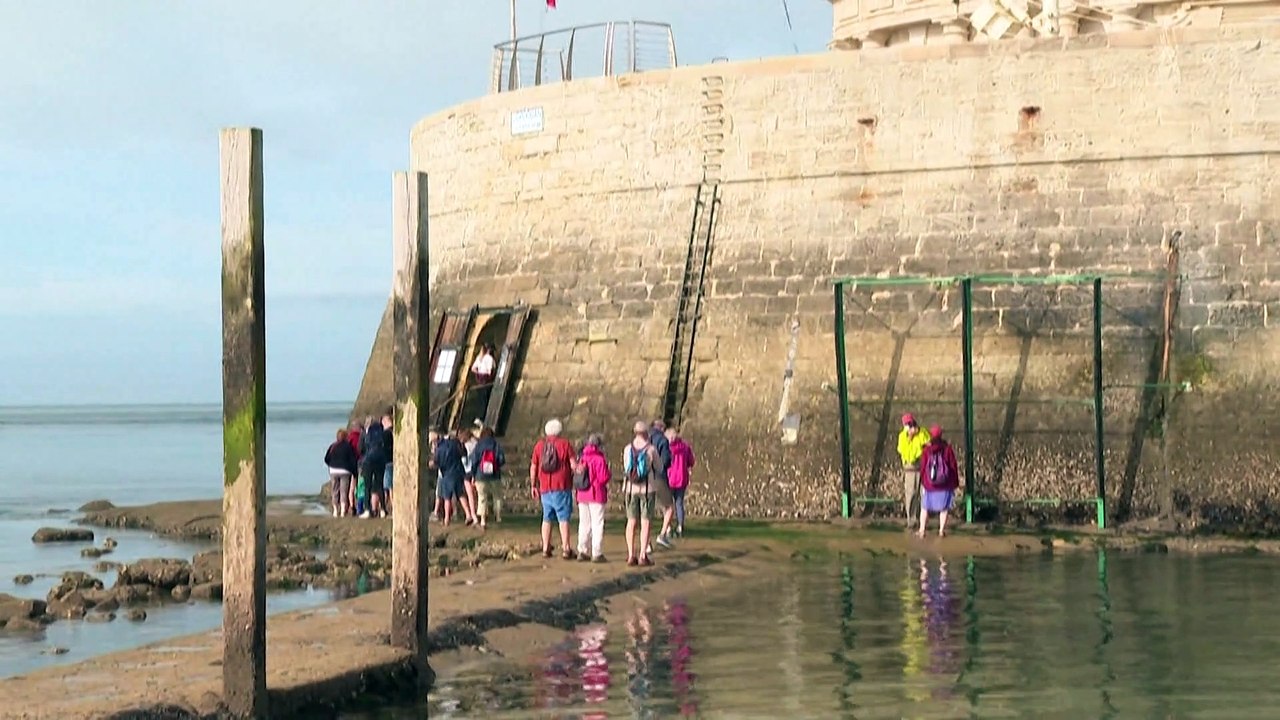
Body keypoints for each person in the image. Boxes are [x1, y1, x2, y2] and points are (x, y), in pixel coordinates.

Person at [530, 418, 576, 559]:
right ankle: (566, 548)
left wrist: (533, 485)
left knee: (546, 518)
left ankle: (545, 548)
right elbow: (573, 464)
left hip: (544, 487)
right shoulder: (565, 444)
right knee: (563, 517)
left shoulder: (539, 446)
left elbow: (533, 467)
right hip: (561, 485)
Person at [622, 421, 660, 566]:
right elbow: (659, 466)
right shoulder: (651, 449)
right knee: (646, 522)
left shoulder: (627, 449)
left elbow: (626, 468)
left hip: (630, 489)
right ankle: (643, 555)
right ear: (646, 433)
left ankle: (631, 555)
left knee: (631, 521)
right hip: (647, 489)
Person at [918, 425, 960, 538]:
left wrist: (923, 482)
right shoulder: (947, 449)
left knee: (925, 507)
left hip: (929, 485)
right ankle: (941, 531)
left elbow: (923, 467)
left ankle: (922, 530)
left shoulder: (926, 450)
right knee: (944, 508)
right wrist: (955, 483)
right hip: (945, 485)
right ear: (941, 435)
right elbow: (953, 466)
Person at [574, 433, 611, 563]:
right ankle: (597, 552)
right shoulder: (599, 459)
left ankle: (582, 550)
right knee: (597, 523)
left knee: (584, 523)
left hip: (582, 493)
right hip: (596, 494)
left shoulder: (581, 457)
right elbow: (603, 478)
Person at [468, 426, 506, 528]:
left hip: (480, 476)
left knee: (482, 497)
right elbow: (502, 460)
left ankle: (483, 520)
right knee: (497, 496)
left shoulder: (479, 446)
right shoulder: (496, 445)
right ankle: (498, 517)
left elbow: (474, 461)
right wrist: (496, 466)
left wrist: (473, 475)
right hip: (495, 475)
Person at [897, 414, 930, 529]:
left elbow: (929, 446)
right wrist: (910, 438)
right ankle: (911, 520)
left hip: (923, 468)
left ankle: (923, 520)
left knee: (924, 494)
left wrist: (922, 444)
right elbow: (904, 451)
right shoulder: (902, 436)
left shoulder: (922, 433)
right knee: (911, 494)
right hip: (910, 469)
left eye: (911, 424)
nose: (909, 427)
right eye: (907, 425)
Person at [648, 420, 676, 549]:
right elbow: (666, 461)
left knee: (646, 512)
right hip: (658, 477)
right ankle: (662, 535)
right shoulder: (663, 440)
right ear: (660, 428)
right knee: (670, 507)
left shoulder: (644, 439)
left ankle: (647, 544)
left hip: (644, 479)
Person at [665, 427, 695, 537]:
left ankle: (667, 527)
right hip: (682, 478)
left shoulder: (667, 448)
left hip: (669, 478)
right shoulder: (685, 447)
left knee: (667, 504)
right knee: (679, 503)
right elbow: (691, 462)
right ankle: (680, 526)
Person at [433, 429, 467, 526]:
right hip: (458, 472)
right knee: (460, 494)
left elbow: (437, 462)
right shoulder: (456, 445)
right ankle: (469, 515)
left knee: (447, 497)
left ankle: (447, 518)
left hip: (447, 474)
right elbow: (464, 454)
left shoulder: (440, 449)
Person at [324, 429, 358, 518]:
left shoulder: (333, 446)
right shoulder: (348, 447)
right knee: (344, 491)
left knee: (335, 490)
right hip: (345, 470)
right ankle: (343, 511)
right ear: (346, 436)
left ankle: (335, 510)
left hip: (333, 470)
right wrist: (354, 472)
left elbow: (326, 458)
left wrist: (331, 465)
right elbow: (352, 460)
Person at [359, 416, 388, 519]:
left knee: (368, 486)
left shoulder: (364, 434)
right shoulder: (382, 433)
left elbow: (360, 449)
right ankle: (383, 510)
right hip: (380, 461)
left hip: (368, 461)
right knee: (379, 485)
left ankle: (367, 510)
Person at [460, 427, 480, 526]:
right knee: (476, 495)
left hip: (468, 472)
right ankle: (478, 513)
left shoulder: (464, 446)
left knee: (470, 495)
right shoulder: (477, 444)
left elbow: (464, 461)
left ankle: (473, 515)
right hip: (478, 471)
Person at [380, 412, 394, 516]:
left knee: (388, 487)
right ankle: (385, 508)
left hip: (387, 462)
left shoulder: (385, 433)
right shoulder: (393, 432)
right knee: (389, 486)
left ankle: (385, 508)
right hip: (393, 461)